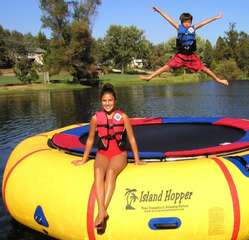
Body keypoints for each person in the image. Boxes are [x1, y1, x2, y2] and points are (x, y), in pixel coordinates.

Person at [72, 83, 144, 230]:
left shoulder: (123, 117)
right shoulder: (95, 119)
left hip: (119, 153)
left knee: (111, 172)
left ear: (115, 100)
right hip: (102, 153)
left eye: (110, 100)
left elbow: (131, 139)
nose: (107, 103)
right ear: (101, 102)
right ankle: (103, 212)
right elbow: (91, 139)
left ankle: (100, 213)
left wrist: (137, 160)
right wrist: (83, 159)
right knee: (98, 172)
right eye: (104, 101)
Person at [140, 7, 229, 85]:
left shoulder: (193, 28)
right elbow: (169, 19)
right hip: (180, 55)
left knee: (204, 69)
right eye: (185, 22)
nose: (187, 24)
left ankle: (218, 80)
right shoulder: (179, 27)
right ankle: (149, 77)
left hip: (191, 56)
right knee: (166, 67)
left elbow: (204, 22)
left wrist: (216, 17)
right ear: (182, 22)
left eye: (189, 22)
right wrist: (159, 11)